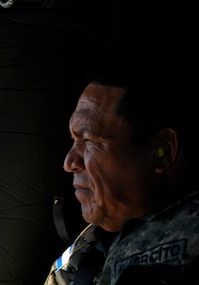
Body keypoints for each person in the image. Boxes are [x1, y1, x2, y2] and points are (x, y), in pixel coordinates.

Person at [43, 64, 199, 285]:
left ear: (162, 152)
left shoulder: (186, 244)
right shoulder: (94, 241)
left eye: (89, 141)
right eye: (75, 140)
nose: (70, 163)